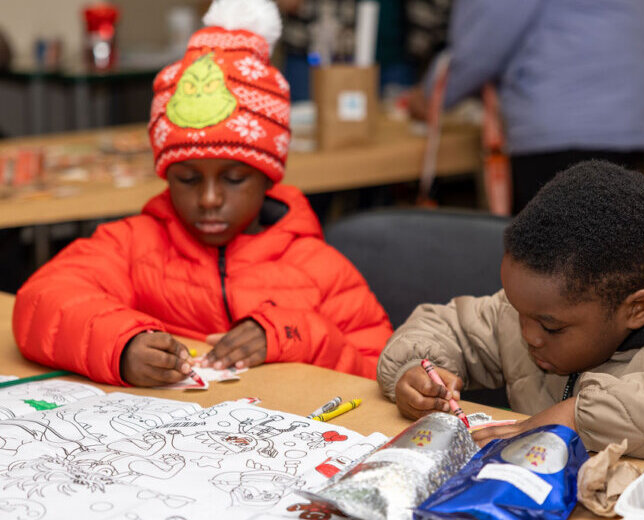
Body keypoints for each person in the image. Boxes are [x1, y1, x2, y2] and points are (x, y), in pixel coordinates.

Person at [12, 0, 393, 388]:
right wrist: (122, 346)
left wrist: (294, 335)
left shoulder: (320, 270)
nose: (209, 198)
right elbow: (40, 301)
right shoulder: (134, 245)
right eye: (188, 180)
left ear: (268, 177)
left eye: (233, 179)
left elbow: (382, 371)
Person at [377, 161, 644, 465]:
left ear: (637, 309)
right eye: (520, 311)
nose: (529, 334)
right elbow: (445, 326)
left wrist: (579, 415)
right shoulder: (536, 310)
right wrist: (415, 370)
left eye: (550, 326)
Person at [412, 0, 644, 212]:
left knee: (555, 266)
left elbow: (485, 35)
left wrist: (434, 94)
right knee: (609, 259)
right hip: (623, 110)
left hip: (568, 120)